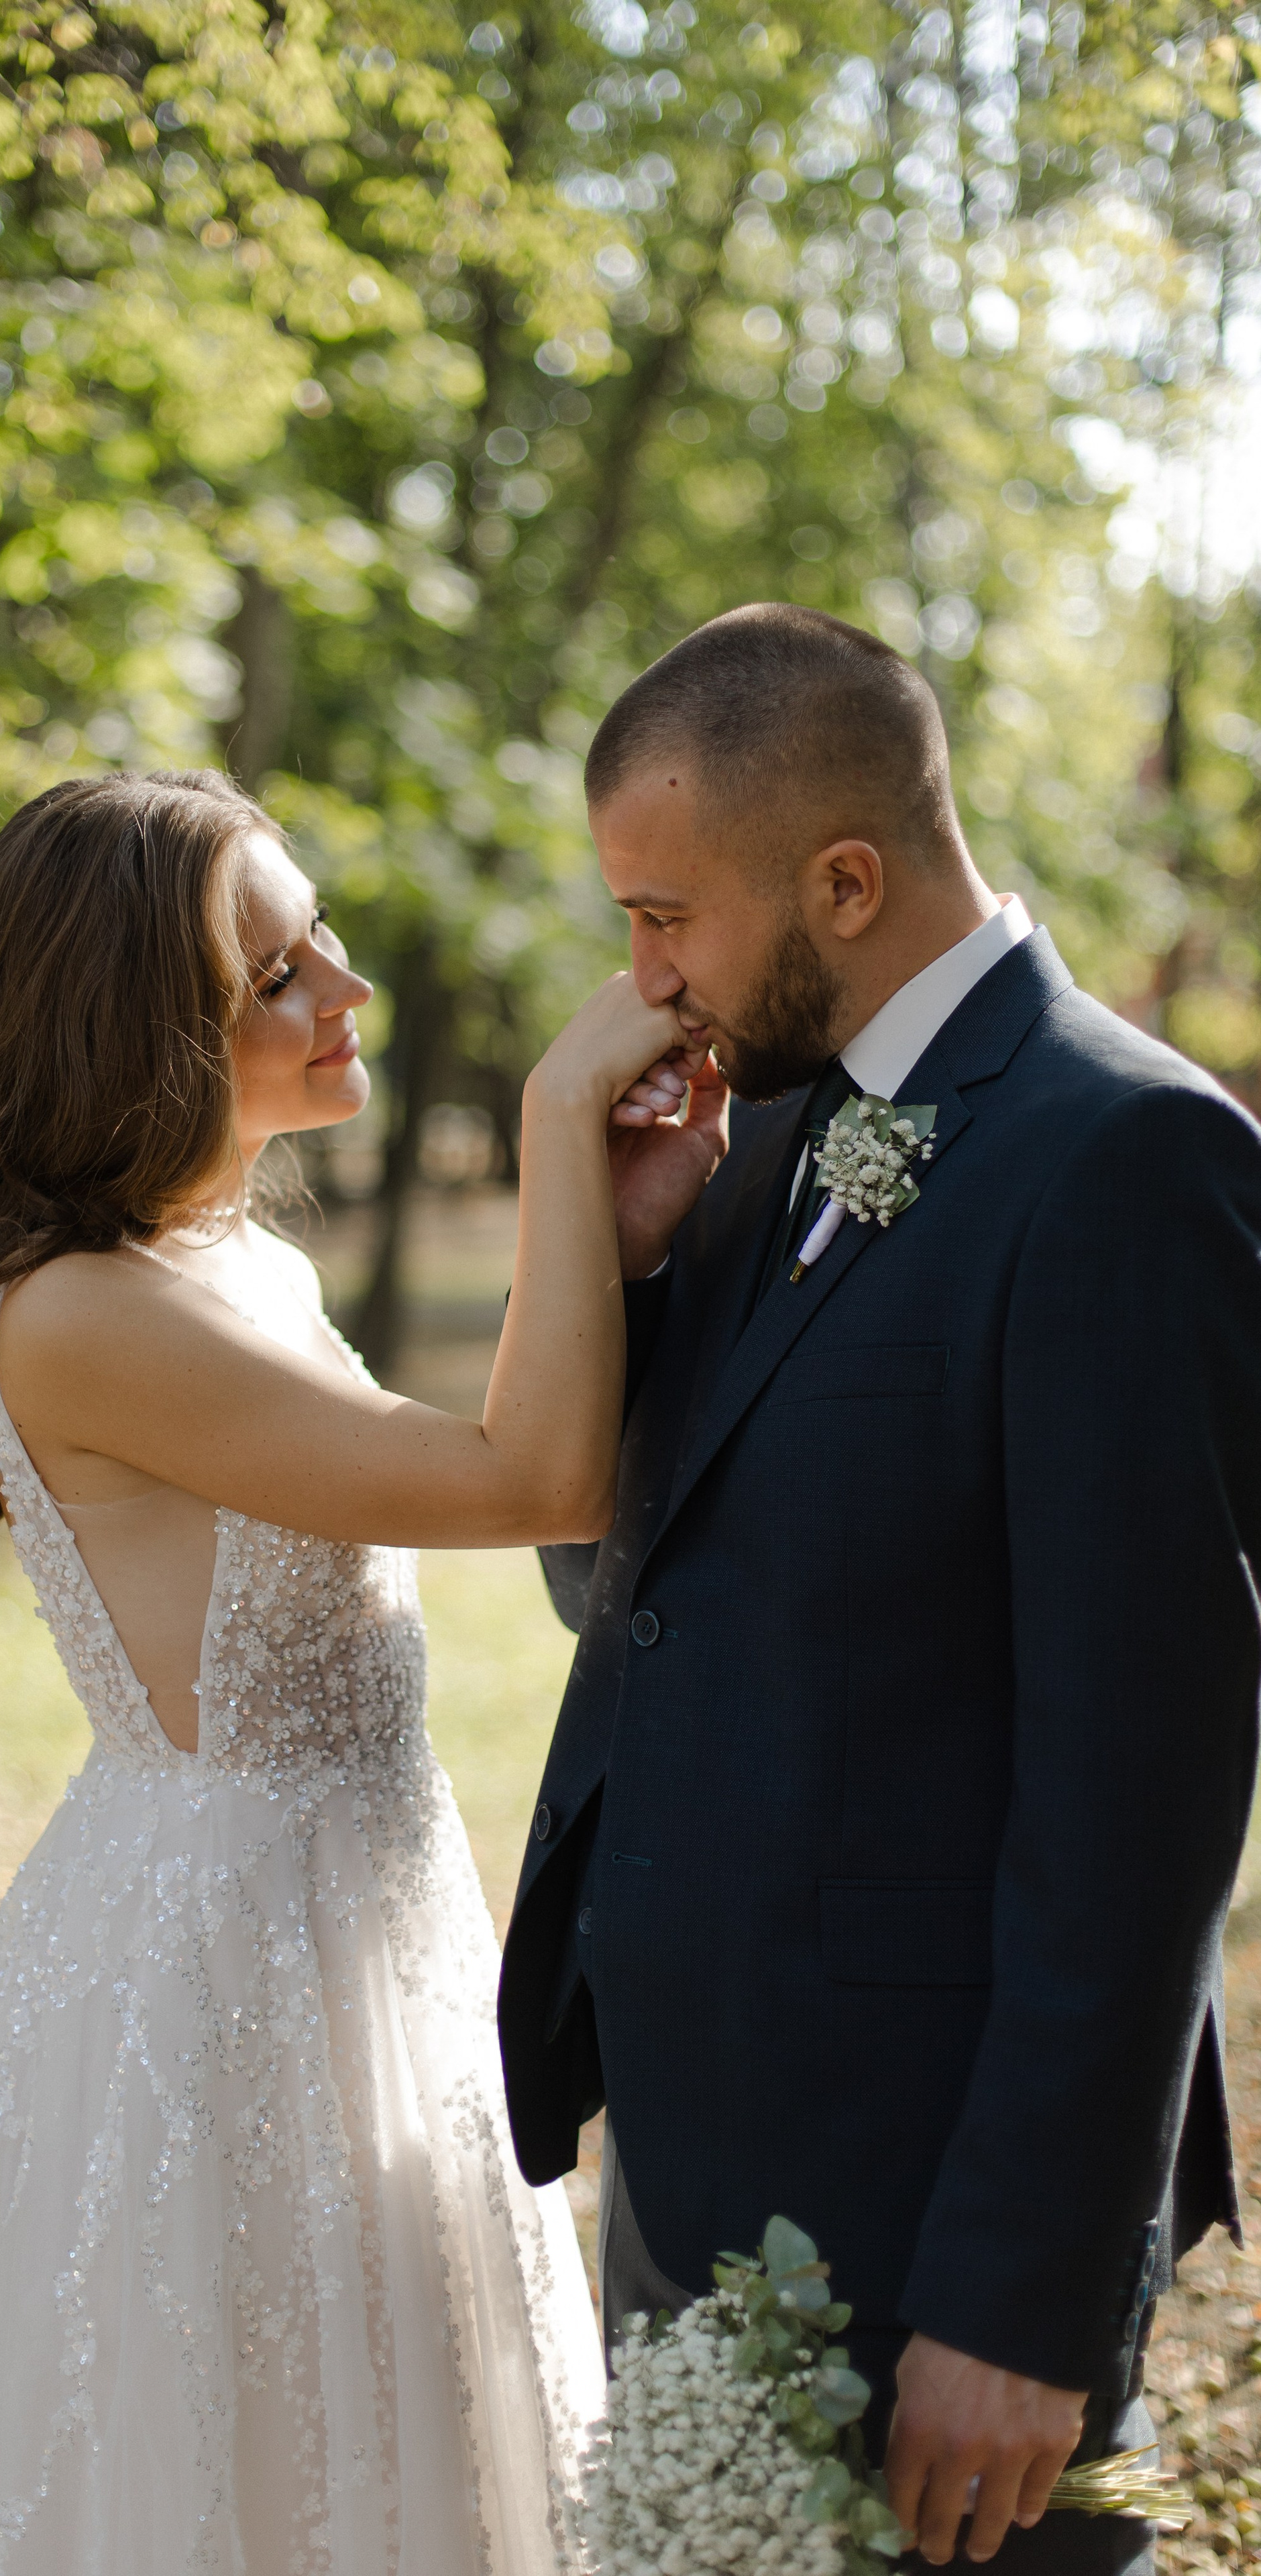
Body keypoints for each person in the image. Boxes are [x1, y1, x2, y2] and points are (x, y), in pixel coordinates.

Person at [0, 767, 717, 2576]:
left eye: (323, 939)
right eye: (280, 973)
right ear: (134, 1030)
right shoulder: (86, 1314)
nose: (347, 990)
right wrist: (556, 1117)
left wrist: (613, 1238)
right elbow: (531, 1485)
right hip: (225, 1964)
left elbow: (478, 1448)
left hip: (366, 1906)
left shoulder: (235, 1263)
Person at [498, 603, 1261, 2573]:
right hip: (701, 2151)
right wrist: (627, 1269)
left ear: (845, 881)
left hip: (941, 2207)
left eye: (667, 919)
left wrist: (1026, 2293)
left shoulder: (1128, 1156)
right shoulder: (762, 1128)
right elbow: (620, 1592)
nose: (641, 980)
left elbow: (1143, 1792)